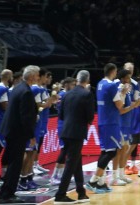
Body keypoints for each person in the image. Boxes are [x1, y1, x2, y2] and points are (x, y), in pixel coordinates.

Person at [0, 65, 40, 203]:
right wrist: (31, 135)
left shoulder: (18, 87)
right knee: (15, 164)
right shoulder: (26, 92)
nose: (38, 77)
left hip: (10, 130)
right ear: (32, 76)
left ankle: (5, 191)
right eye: (37, 75)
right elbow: (25, 117)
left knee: (12, 162)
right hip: (17, 132)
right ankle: (8, 193)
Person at [54, 71, 94, 202]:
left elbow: (61, 115)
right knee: (71, 164)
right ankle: (60, 194)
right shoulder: (87, 94)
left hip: (66, 130)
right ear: (87, 80)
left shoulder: (67, 94)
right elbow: (90, 116)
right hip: (77, 132)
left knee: (77, 161)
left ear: (77, 80)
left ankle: (81, 192)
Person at [90, 63, 124, 192]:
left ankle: (100, 182)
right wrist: (123, 93)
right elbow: (119, 105)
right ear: (113, 71)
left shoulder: (100, 83)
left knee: (105, 151)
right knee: (111, 152)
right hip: (110, 121)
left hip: (103, 120)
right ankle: (93, 181)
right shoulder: (111, 86)